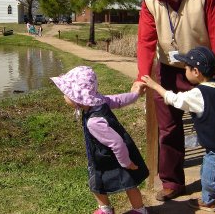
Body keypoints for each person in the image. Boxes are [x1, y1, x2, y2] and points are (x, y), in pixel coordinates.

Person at [134, 0, 215, 201]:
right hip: (167, 70)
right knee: (168, 129)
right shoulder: (150, 2)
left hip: (203, 72)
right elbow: (145, 42)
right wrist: (142, 77)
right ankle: (172, 182)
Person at [141, 46, 215, 213]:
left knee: (212, 181)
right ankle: (207, 201)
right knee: (206, 173)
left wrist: (155, 85)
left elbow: (173, 99)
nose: (185, 71)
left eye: (186, 68)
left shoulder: (198, 95)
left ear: (196, 71)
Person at [51, 66, 149, 214]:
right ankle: (105, 209)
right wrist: (134, 95)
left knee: (129, 183)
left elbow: (117, 143)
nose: (64, 97)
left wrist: (126, 163)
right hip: (102, 156)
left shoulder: (94, 122)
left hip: (115, 156)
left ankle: (140, 210)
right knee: (97, 183)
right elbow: (118, 100)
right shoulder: (99, 101)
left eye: (66, 94)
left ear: (77, 98)